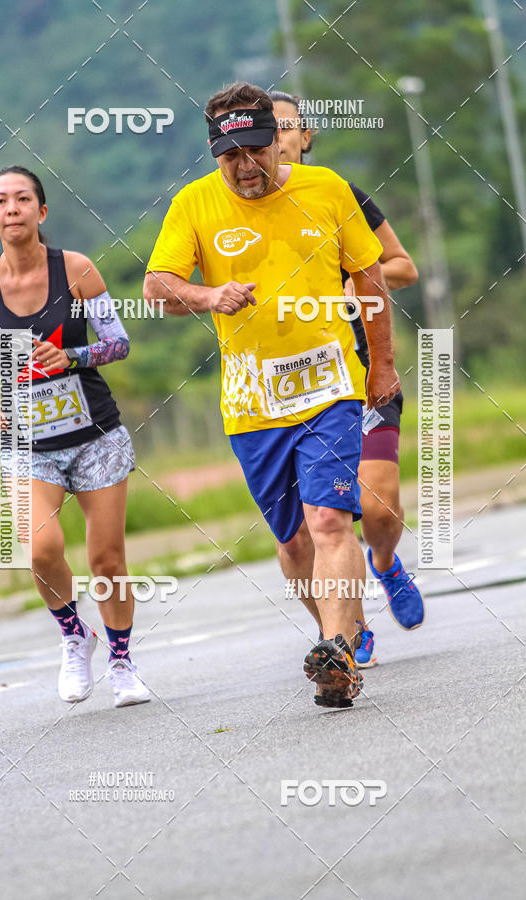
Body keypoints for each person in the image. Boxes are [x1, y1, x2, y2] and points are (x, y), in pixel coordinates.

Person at [144, 82, 400, 708]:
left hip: (330, 387)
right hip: (252, 401)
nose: (245, 166)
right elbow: (156, 287)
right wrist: (207, 296)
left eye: (255, 150)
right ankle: (335, 633)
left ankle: (338, 654)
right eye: (229, 155)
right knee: (293, 546)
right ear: (214, 153)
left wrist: (382, 365)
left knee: (331, 519)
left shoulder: (327, 189)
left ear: (278, 142)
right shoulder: (194, 204)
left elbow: (369, 275)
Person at [0, 165, 150, 709]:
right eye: (1, 201)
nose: (12, 208)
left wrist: (72, 355)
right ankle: (75, 637)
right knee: (38, 549)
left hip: (96, 434)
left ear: (41, 211)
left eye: (23, 199)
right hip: (26, 442)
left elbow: (118, 342)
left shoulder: (75, 270)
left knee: (107, 560)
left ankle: (122, 662)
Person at [270, 91, 425, 668]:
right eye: (269, 130)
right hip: (288, 389)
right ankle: (349, 630)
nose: (278, 139)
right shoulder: (242, 211)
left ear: (305, 138)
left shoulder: (340, 195)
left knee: (378, 510)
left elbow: (404, 268)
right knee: (317, 526)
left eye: (287, 128)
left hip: (360, 374)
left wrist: (350, 280)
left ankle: (384, 563)